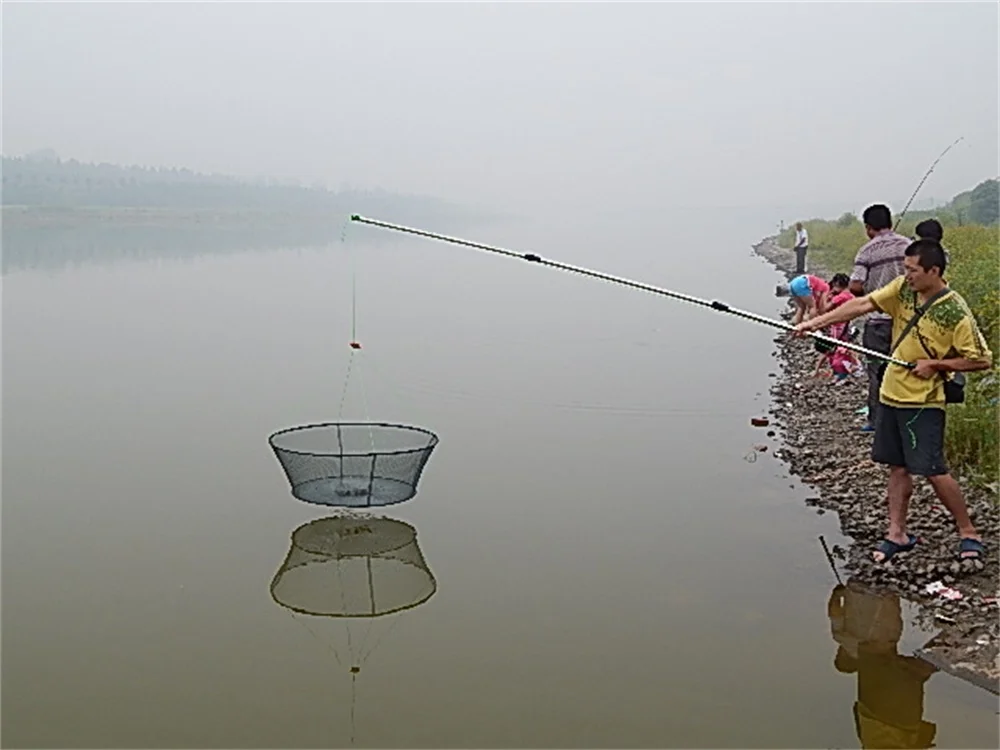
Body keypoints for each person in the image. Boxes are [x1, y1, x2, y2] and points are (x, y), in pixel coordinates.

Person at [794, 238, 991, 563]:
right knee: (897, 467)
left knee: (933, 469)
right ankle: (896, 534)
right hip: (891, 394)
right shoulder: (903, 289)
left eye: (913, 270)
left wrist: (936, 365)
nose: (906, 275)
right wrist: (814, 324)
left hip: (924, 402)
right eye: (906, 269)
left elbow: (982, 359)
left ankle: (968, 531)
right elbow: (863, 304)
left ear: (934, 270)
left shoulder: (954, 311)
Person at [828, 580, 938, 749]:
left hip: (899, 721)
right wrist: (838, 593)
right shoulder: (846, 641)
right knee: (917, 668)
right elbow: (834, 611)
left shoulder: (848, 641)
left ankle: (961, 637)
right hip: (876, 705)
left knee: (920, 668)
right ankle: (959, 637)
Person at [849, 205, 911, 432]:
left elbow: (855, 285)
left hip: (877, 321)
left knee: (876, 370)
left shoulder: (866, 252)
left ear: (868, 227)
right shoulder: (908, 245)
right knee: (905, 368)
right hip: (907, 321)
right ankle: (905, 417)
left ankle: (876, 421)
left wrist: (870, 293)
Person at [813, 273, 862, 382]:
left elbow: (825, 309)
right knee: (844, 348)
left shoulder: (841, 297)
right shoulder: (851, 296)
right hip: (847, 324)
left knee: (834, 349)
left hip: (838, 326)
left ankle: (851, 368)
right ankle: (845, 370)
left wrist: (826, 295)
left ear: (836, 284)